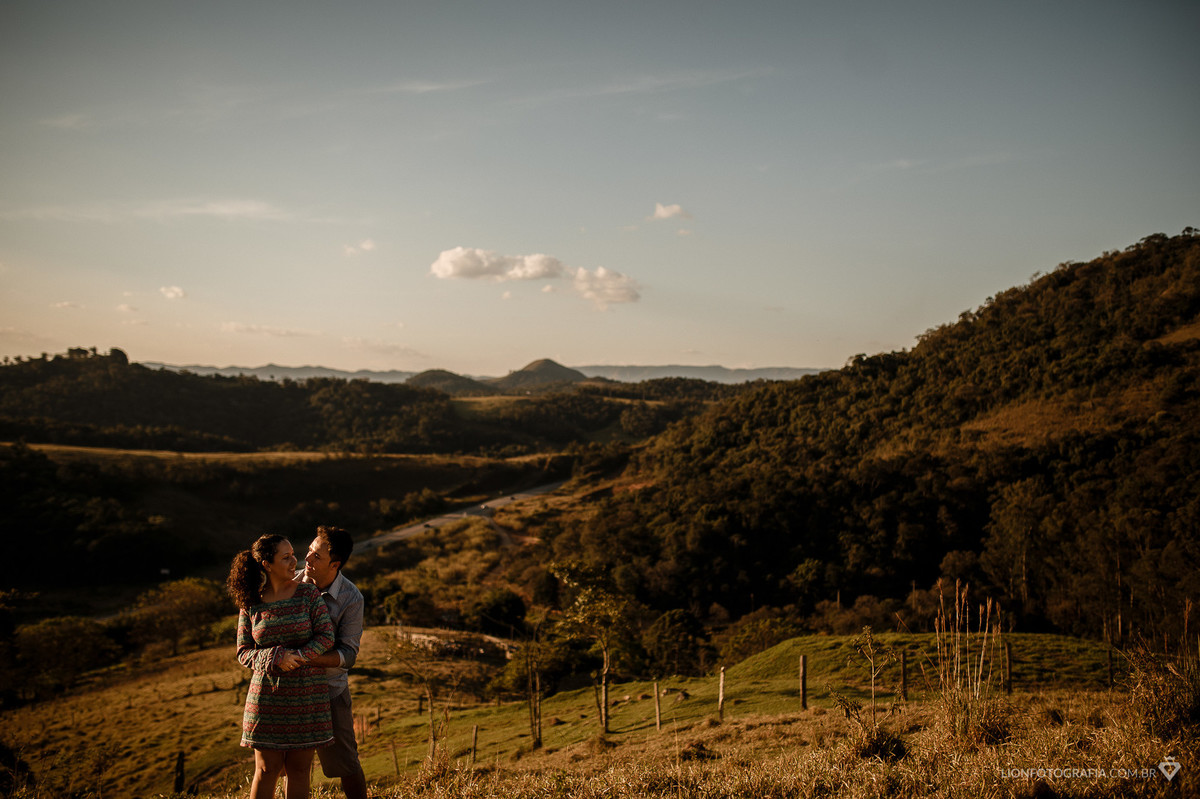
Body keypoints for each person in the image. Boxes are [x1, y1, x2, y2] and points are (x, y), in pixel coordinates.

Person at [227, 534, 335, 799]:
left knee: (299, 770)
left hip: (307, 697)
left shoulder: (308, 594)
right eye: (285, 557)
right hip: (266, 700)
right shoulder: (251, 602)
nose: (294, 561)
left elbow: (326, 636)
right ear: (267, 564)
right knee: (266, 770)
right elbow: (243, 652)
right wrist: (275, 657)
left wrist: (297, 656)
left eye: (293, 554)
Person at [301, 526, 368, 799]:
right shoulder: (290, 585)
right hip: (290, 691)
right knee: (288, 765)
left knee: (347, 763)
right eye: (309, 550)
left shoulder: (352, 597)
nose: (307, 558)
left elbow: (349, 654)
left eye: (316, 556)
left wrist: (308, 659)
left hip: (331, 691)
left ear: (334, 564)